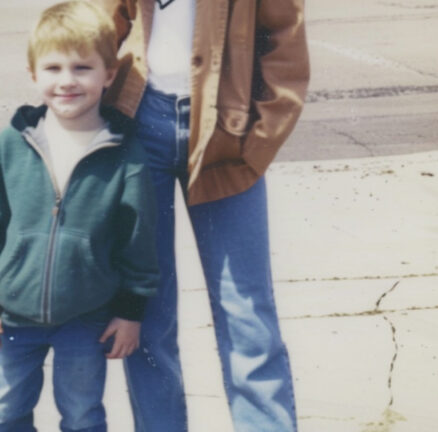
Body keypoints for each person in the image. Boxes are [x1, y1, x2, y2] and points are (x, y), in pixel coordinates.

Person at [97, 0, 311, 431]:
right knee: (147, 315)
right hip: (140, 121)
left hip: (224, 129)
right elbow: (97, 25)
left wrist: (256, 143)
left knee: (247, 314)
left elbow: (284, 42)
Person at [0, 2, 159, 431]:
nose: (66, 81)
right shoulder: (8, 147)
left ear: (109, 75)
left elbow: (138, 242)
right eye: (52, 68)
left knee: (83, 414)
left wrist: (130, 311)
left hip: (87, 319)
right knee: (5, 413)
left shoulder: (125, 155)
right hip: (13, 315)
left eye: (82, 68)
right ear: (33, 74)